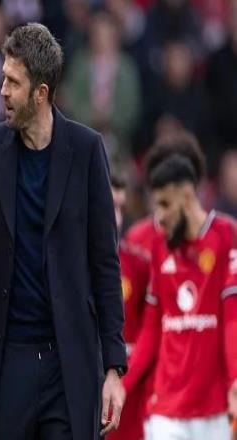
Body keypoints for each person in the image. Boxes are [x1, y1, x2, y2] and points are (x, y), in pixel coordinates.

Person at [0, 23, 126, 440]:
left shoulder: (86, 150)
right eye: (3, 79)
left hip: (69, 363)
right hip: (9, 358)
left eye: (13, 82)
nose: (2, 92)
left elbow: (104, 262)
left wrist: (114, 367)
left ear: (41, 93)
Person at [123, 131, 237, 440]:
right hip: (162, 405)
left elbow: (232, 317)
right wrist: (122, 385)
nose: (159, 216)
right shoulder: (152, 244)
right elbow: (147, 329)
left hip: (213, 407)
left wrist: (234, 380)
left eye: (165, 204)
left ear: (188, 193)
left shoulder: (227, 236)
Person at [107, 172, 151, 440]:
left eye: (121, 208)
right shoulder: (67, 268)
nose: (117, 218)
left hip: (131, 402)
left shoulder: (140, 265)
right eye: (110, 206)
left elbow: (151, 331)